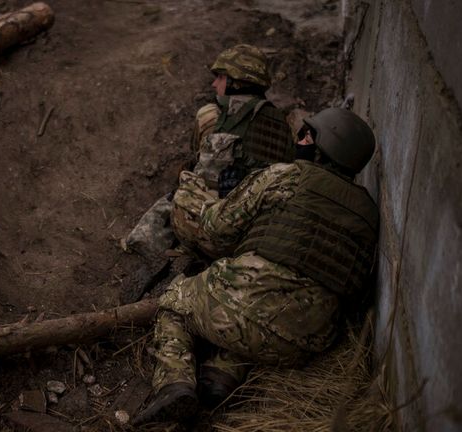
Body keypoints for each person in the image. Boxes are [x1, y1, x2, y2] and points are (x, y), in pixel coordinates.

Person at [131, 107, 380, 426]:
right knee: (266, 316)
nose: (300, 138)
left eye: (307, 135)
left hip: (241, 311)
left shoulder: (285, 176)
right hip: (305, 343)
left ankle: (173, 384)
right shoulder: (369, 214)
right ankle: (221, 374)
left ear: (322, 148)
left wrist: (196, 197)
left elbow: (217, 227)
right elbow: (355, 291)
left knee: (175, 302)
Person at [122, 44, 293, 295]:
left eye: (220, 78)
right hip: (262, 236)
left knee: (179, 193)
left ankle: (145, 249)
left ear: (235, 81)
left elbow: (201, 172)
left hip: (222, 231)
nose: (215, 85)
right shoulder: (282, 126)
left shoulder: (216, 117)